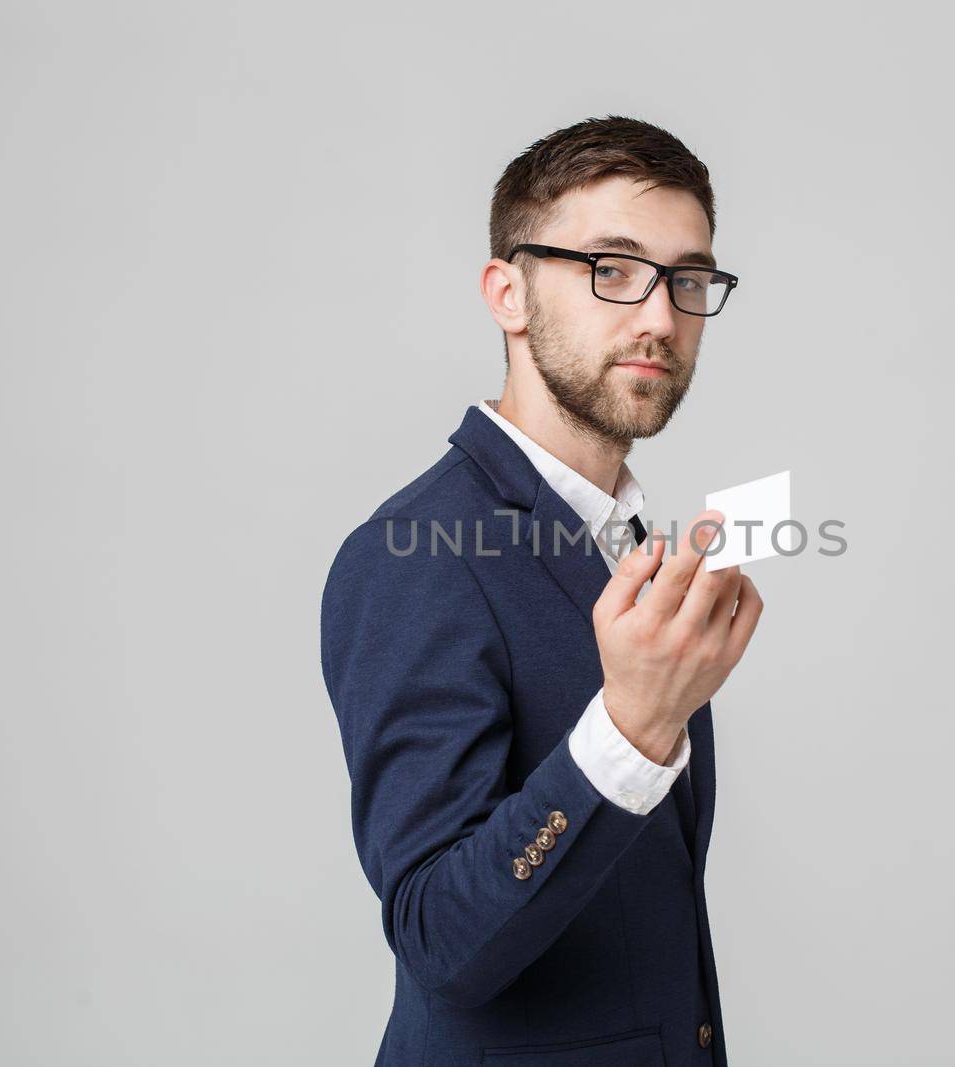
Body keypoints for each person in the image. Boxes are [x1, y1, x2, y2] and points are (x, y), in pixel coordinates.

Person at [320, 115, 764, 1065]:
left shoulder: (633, 538)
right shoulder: (411, 556)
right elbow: (439, 936)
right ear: (507, 294)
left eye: (688, 278)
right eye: (612, 267)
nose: (659, 316)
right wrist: (629, 731)